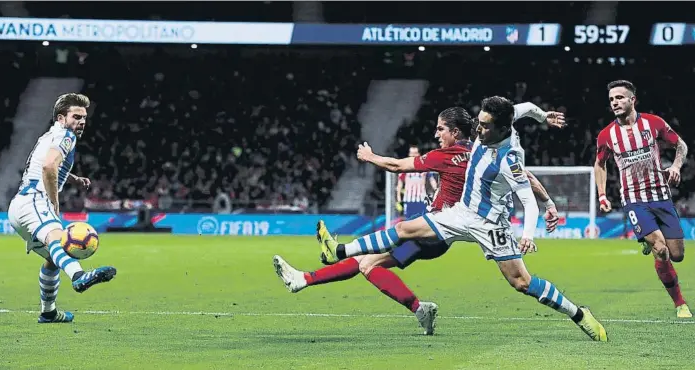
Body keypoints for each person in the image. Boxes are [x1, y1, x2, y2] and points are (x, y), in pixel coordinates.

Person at [274, 103, 563, 335]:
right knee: (369, 262)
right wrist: (548, 202)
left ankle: (317, 271)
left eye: (441, 129)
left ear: (456, 132)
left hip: (436, 231)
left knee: (368, 263)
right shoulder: (485, 150)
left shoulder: (445, 155)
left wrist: (370, 156)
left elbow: (397, 166)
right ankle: (312, 275)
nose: (437, 134)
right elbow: (526, 176)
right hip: (442, 233)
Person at [7, 93, 117, 324]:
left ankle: (49, 311)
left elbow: (45, 163)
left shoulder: (50, 135)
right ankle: (79, 275)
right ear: (61, 117)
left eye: (84, 117)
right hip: (34, 200)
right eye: (76, 116)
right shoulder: (66, 135)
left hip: (20, 206)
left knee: (53, 258)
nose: (82, 121)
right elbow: (48, 167)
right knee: (58, 239)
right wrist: (54, 202)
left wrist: (72, 177)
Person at [594, 80, 691, 318]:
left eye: (619, 98)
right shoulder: (607, 135)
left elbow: (681, 146)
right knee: (660, 249)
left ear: (632, 100)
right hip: (634, 200)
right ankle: (680, 304)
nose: (614, 102)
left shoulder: (653, 123)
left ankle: (648, 240)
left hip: (661, 197)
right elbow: (600, 164)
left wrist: (676, 166)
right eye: (611, 99)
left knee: (676, 255)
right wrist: (603, 194)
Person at [395, 145, 434, 219]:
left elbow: (432, 181)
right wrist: (399, 200)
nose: (413, 155)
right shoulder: (404, 168)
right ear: (409, 154)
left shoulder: (424, 167)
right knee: (409, 222)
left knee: (421, 222)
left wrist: (437, 192)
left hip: (421, 200)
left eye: (415, 153)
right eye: (411, 153)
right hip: (409, 200)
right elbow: (399, 186)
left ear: (419, 154)